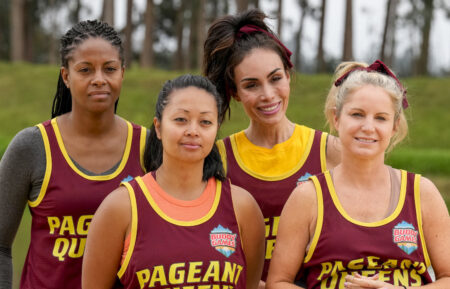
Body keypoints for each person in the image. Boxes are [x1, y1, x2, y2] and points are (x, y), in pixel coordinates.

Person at [266, 60, 450, 289]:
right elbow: (278, 282)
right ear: (336, 118)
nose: (368, 127)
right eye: (357, 114)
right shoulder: (308, 197)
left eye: (381, 118)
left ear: (394, 126)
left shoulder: (421, 193)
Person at [0, 20, 147, 289]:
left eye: (110, 69)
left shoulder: (148, 147)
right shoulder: (32, 147)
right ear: (66, 76)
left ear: (122, 73)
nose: (99, 79)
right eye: (85, 70)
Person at [82, 74, 265, 289]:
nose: (193, 131)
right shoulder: (120, 207)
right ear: (158, 127)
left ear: (215, 130)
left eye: (205, 122)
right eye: (181, 119)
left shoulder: (242, 207)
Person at [202, 9, 341, 284]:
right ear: (235, 93)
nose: (268, 95)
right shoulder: (218, 158)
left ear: (288, 75)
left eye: (275, 78)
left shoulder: (331, 151)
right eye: (251, 85)